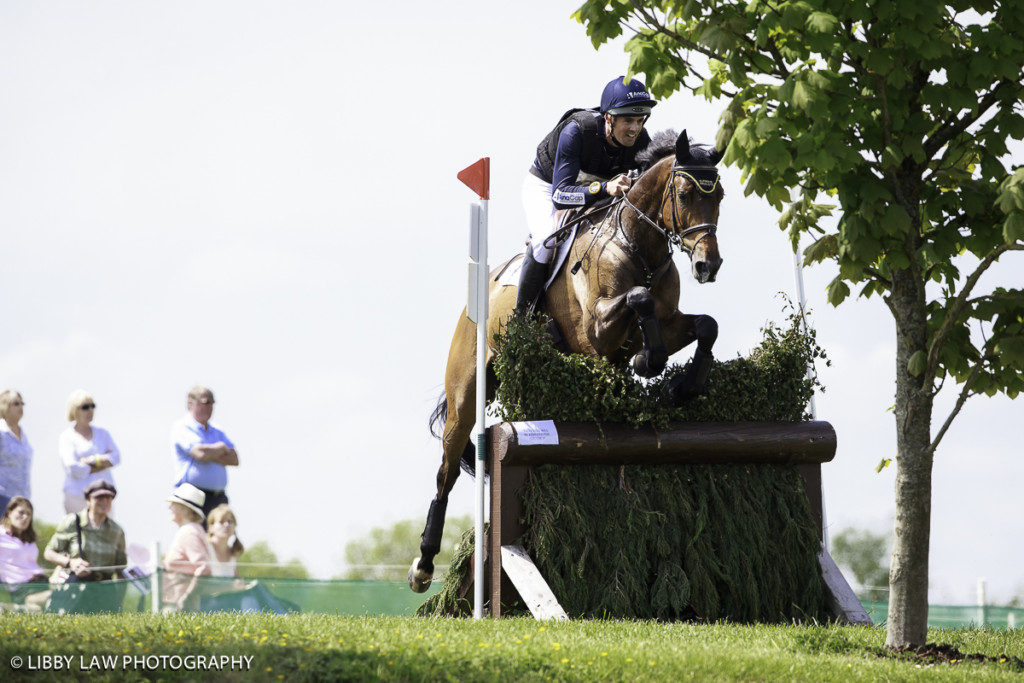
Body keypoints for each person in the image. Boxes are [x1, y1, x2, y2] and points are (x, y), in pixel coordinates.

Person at [518, 76, 658, 311]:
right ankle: (522, 319)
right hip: (548, 186)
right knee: (546, 238)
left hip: (595, 187)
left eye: (639, 120)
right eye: (628, 120)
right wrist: (605, 188)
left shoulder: (641, 139)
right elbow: (560, 195)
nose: (635, 129)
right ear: (609, 118)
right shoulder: (577, 131)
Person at [170, 386, 239, 521]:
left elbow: (234, 459)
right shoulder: (182, 427)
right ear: (190, 403)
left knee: (219, 539)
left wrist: (210, 454)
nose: (210, 407)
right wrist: (221, 448)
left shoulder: (217, 431)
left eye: (212, 403)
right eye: (205, 402)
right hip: (192, 497)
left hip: (218, 497)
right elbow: (200, 454)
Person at [44, 479, 127, 582]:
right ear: (88, 500)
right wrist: (70, 563)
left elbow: (120, 569)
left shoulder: (117, 531)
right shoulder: (73, 521)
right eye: (99, 498)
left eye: (108, 498)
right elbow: (49, 553)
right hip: (77, 585)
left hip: (105, 588)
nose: (104, 502)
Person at [59, 390, 122, 514]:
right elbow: (72, 467)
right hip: (77, 495)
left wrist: (93, 461)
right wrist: (101, 465)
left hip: (103, 495)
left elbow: (116, 457)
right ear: (74, 410)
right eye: (85, 407)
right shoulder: (67, 436)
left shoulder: (103, 434)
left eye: (92, 406)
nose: (90, 410)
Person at [163, 483, 211, 611]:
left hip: (181, 606)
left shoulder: (188, 532)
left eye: (173, 503)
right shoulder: (191, 531)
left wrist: (187, 596)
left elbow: (204, 568)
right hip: (178, 602)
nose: (170, 507)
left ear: (185, 509)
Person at [0, 390, 33, 513]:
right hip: (2, 497)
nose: (20, 407)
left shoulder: (23, 434)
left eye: (22, 403)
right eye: (16, 403)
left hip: (22, 498)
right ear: (5, 406)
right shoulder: (1, 432)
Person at [205, 504, 244, 578]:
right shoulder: (204, 548)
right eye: (221, 522)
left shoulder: (234, 554)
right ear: (211, 527)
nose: (226, 525)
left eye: (230, 521)